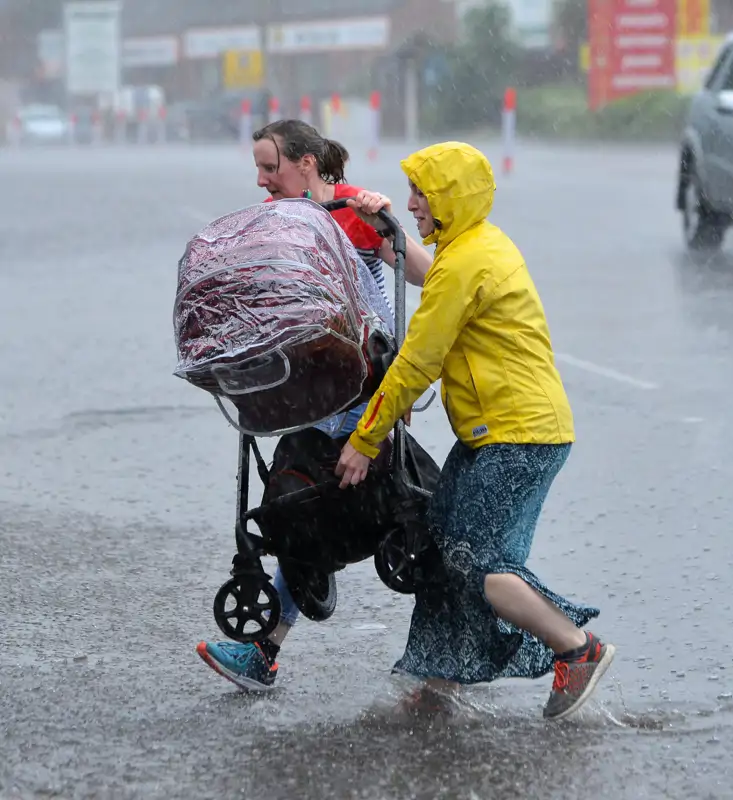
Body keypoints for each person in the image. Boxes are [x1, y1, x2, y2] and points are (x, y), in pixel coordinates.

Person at [335, 141, 615, 721]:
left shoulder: (465, 262)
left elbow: (416, 361)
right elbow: (428, 281)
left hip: (519, 436)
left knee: (482, 564)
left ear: (449, 199)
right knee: (444, 552)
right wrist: (383, 225)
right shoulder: (474, 246)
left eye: (421, 194)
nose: (412, 204)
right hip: (502, 433)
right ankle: (441, 689)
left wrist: (364, 440)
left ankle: (576, 649)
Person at [195, 119, 433, 692]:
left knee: (415, 515)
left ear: (306, 163)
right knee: (301, 512)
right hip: (308, 399)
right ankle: (264, 652)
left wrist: (388, 229)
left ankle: (471, 645)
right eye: (256, 168)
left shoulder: (353, 212)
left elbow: (427, 274)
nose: (260, 180)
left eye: (269, 167)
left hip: (361, 397)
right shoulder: (275, 226)